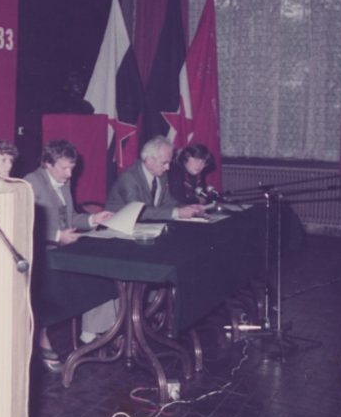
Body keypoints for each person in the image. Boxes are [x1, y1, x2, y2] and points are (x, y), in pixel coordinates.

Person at [24, 139, 116, 370]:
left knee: (103, 275)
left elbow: (71, 218)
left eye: (72, 168)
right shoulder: (31, 183)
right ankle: (40, 337)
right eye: (64, 168)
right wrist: (57, 236)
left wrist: (94, 219)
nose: (70, 174)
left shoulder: (62, 182)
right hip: (41, 255)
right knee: (55, 287)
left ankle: (92, 331)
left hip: (63, 252)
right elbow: (24, 225)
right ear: (47, 164)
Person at [105, 136, 207, 220]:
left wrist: (187, 207)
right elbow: (138, 212)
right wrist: (178, 213)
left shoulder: (161, 176)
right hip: (116, 229)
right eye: (164, 163)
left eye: (169, 163)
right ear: (149, 160)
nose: (168, 167)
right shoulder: (129, 178)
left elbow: (167, 203)